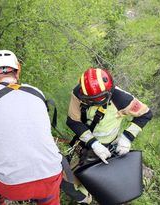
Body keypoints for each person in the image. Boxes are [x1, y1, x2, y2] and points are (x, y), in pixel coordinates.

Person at [0, 50, 63, 205]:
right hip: (51, 177)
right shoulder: (37, 92)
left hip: (11, 186)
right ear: (17, 72)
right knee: (50, 197)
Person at [64, 67, 153, 204]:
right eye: (90, 99)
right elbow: (73, 121)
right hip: (86, 145)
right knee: (69, 181)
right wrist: (93, 143)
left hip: (108, 146)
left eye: (99, 98)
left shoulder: (121, 99)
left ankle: (85, 195)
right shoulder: (79, 93)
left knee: (85, 180)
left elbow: (146, 114)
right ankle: (84, 195)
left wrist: (127, 138)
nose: (94, 101)